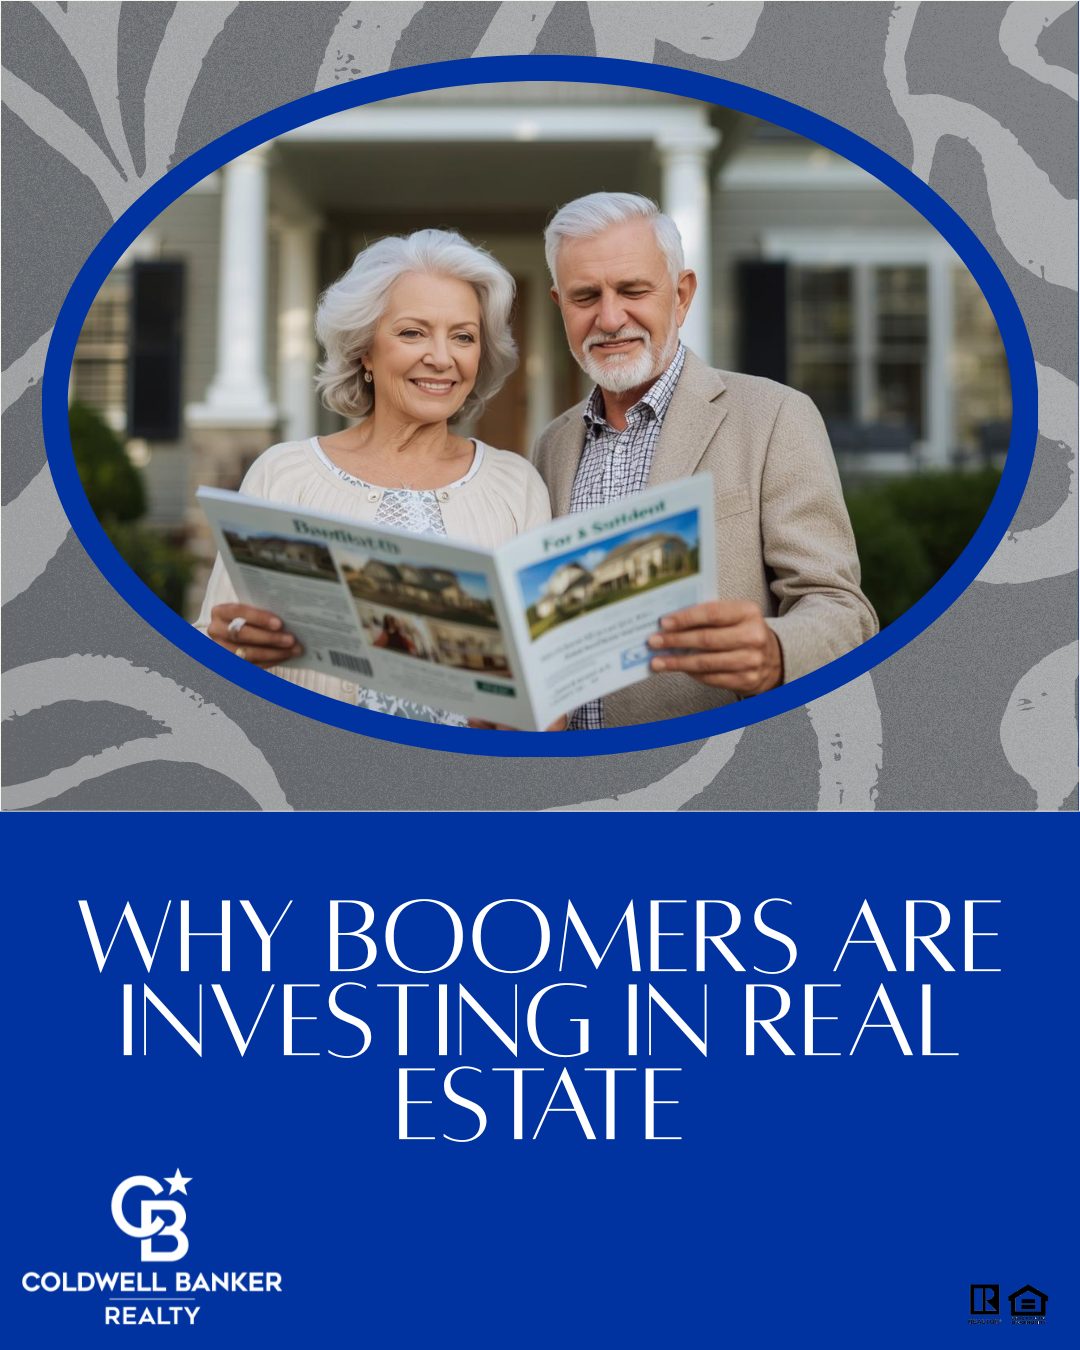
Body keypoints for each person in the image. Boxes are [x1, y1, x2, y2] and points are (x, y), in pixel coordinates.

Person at [533, 192, 878, 729]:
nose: (609, 316)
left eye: (632, 290)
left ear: (681, 294)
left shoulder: (774, 416)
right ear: (561, 306)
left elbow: (842, 610)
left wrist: (775, 651)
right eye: (585, 297)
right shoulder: (552, 444)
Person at [197, 229, 551, 724]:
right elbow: (215, 660)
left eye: (463, 337)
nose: (442, 357)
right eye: (412, 332)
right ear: (364, 349)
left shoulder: (517, 485)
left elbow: (547, 679)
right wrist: (232, 642)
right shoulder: (284, 475)